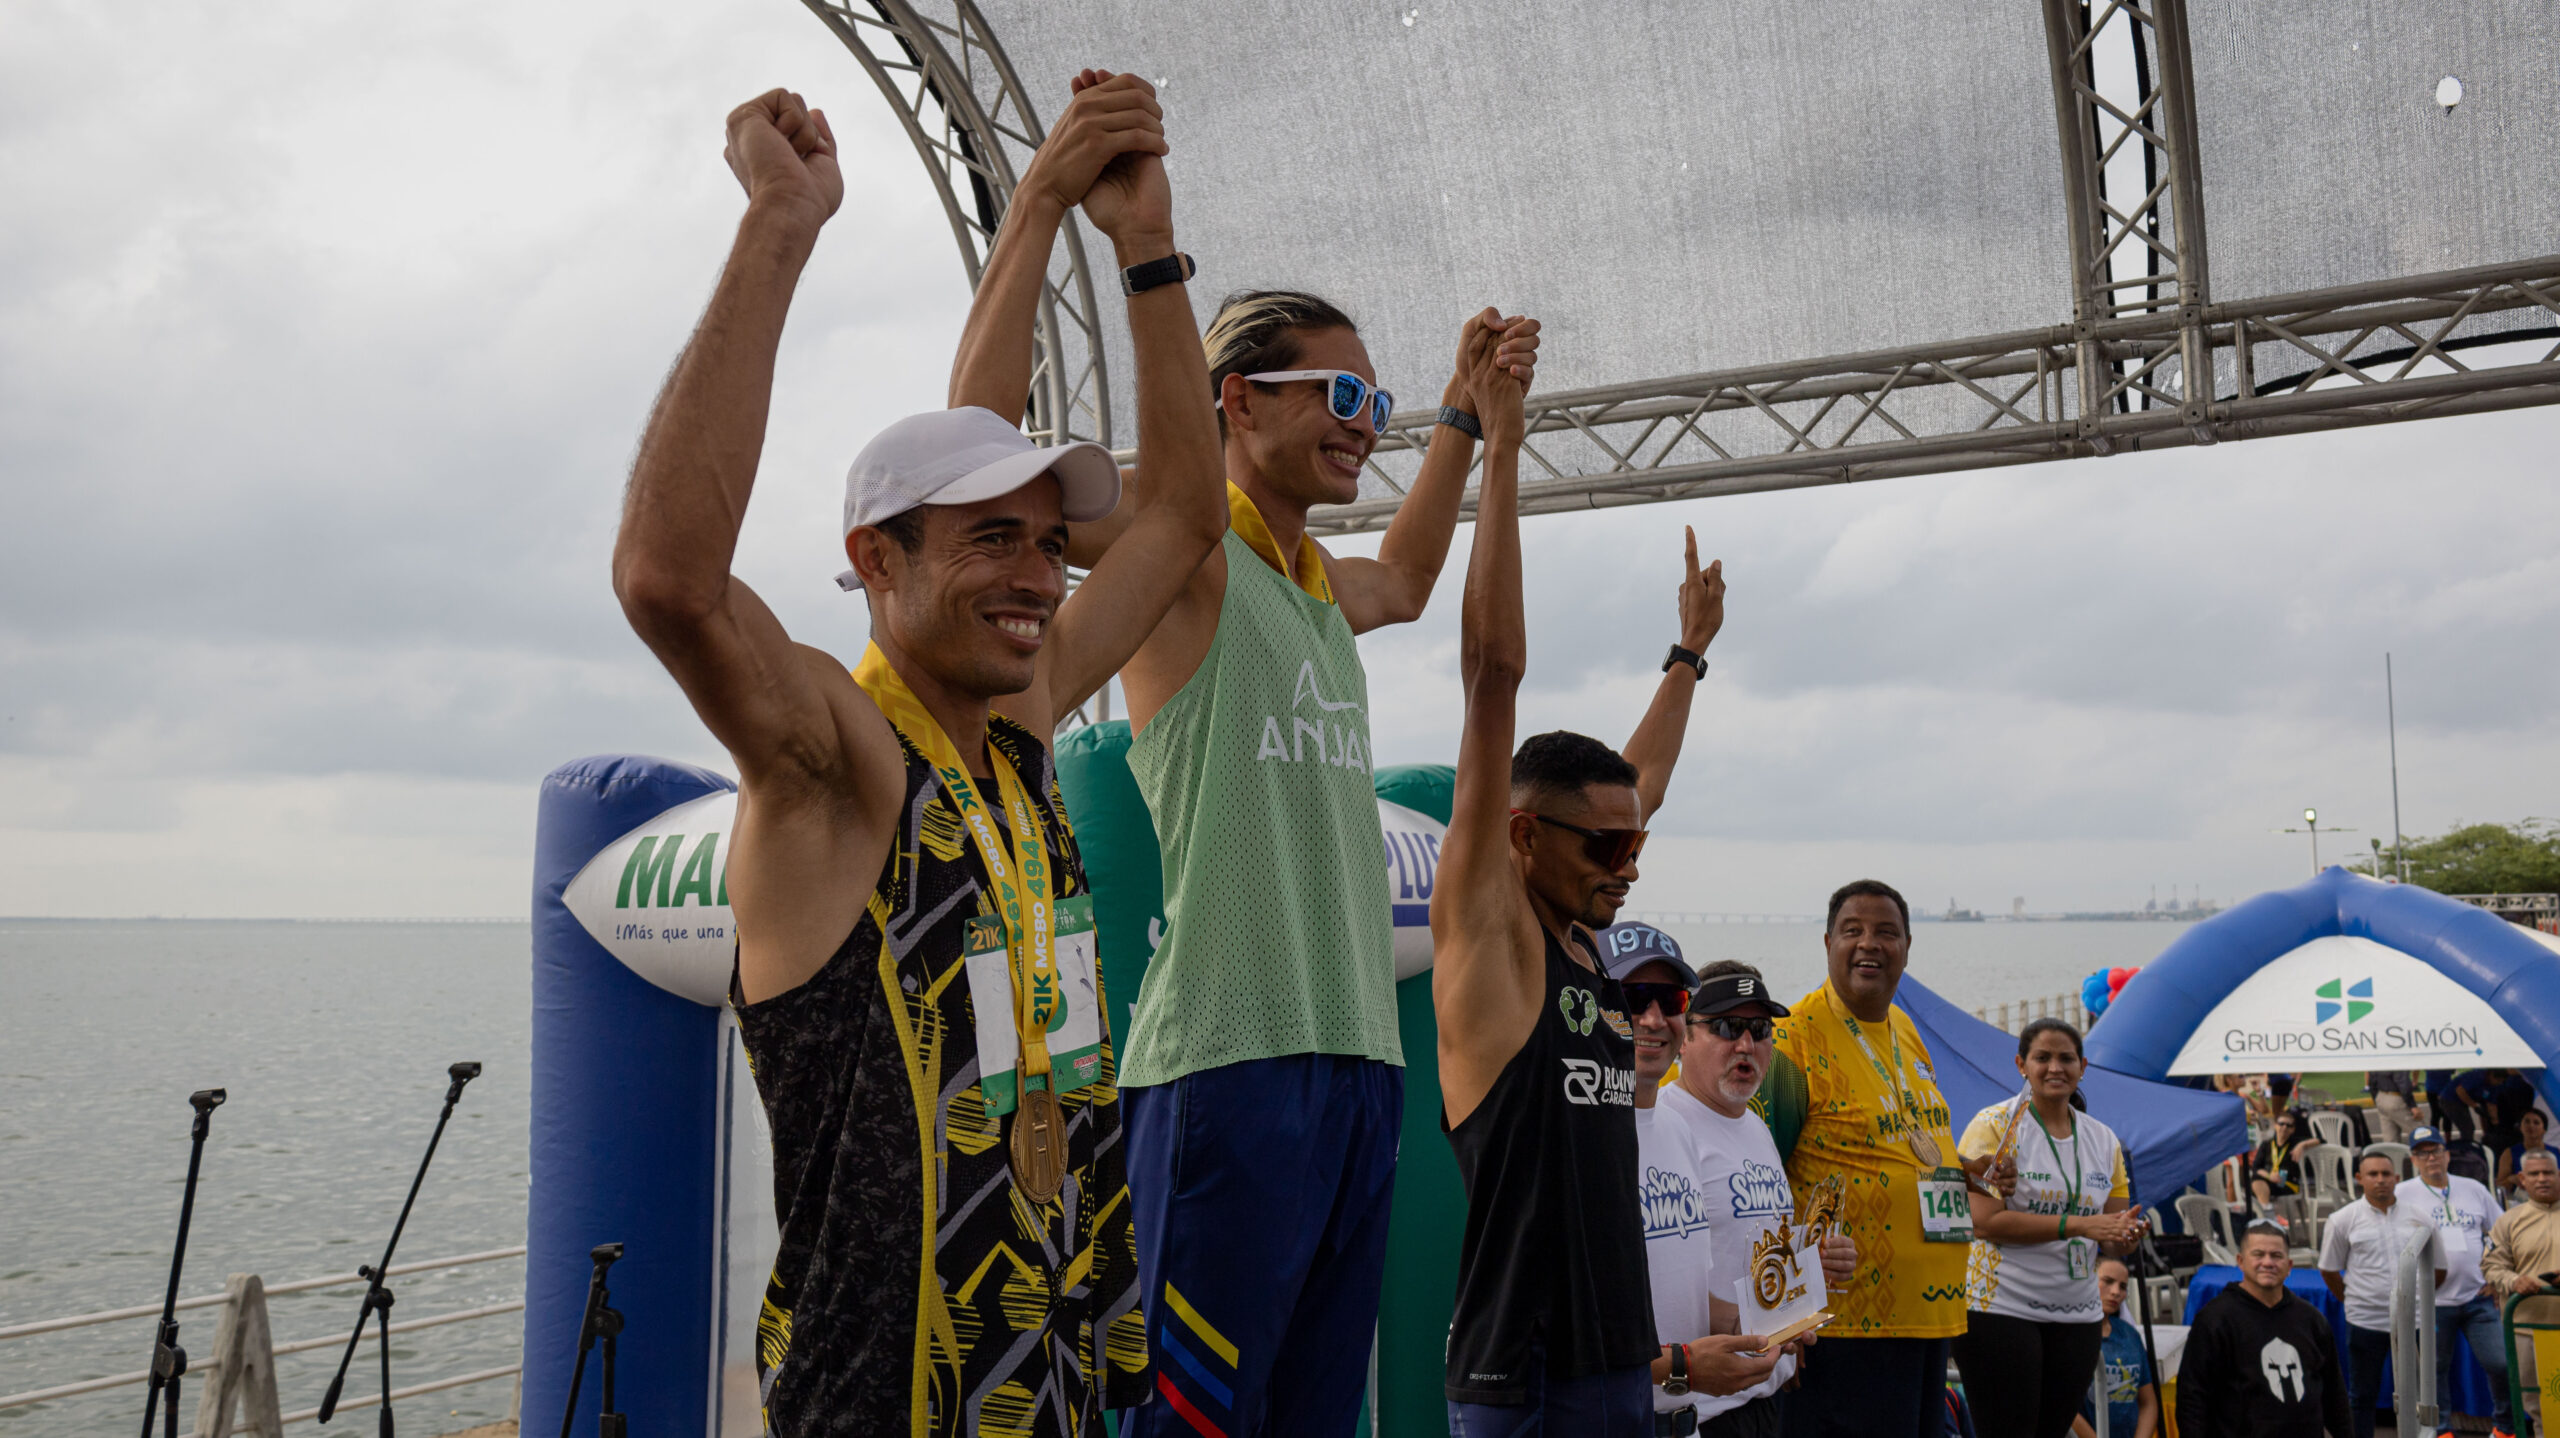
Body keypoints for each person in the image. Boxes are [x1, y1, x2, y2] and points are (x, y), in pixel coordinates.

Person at [613, 78, 1229, 1433]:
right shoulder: (839, 756)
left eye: (1051, 541)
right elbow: (670, 577)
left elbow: (1187, 511)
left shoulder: (1019, 731)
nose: (1038, 575)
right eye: (990, 539)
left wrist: (1145, 244)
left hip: (1057, 1384)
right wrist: (783, 222)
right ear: (875, 561)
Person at [949, 206, 1541, 1438]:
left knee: (1319, 1415)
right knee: (1197, 1421)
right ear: (1238, 402)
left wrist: (1463, 418)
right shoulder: (1193, 557)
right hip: (1224, 1064)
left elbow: (1417, 577)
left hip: (1360, 1070)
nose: (1359, 427)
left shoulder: (1321, 587)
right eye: (1336, 393)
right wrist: (1067, 204)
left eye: (1372, 406)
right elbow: (988, 467)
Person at [1430, 337, 1772, 1433]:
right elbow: (1492, 677)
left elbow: (1642, 785)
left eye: (1635, 851)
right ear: (1521, 834)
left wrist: (1687, 656)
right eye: (1603, 851)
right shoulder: (1495, 935)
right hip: (1519, 1374)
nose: (1628, 866)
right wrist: (1503, 444)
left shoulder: (1583, 935)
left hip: (1618, 1363)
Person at [1628, 951, 1858, 1438]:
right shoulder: (1664, 1122)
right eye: (1728, 1028)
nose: (1746, 1046)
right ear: (1686, 1036)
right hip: (1696, 1407)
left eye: (1761, 1031)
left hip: (1763, 1394)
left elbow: (1749, 1253)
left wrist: (1810, 1269)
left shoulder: (1754, 1124)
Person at [1771, 881, 1969, 1437]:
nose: (1869, 944)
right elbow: (1756, 1176)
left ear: (1908, 945)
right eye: (1853, 931)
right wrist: (1784, 1313)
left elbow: (1911, 1137)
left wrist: (1965, 1170)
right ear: (1828, 941)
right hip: (1843, 1327)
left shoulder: (1905, 1029)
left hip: (1928, 1316)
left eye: (1886, 932)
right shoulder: (1793, 1041)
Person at [1950, 1018, 2143, 1438]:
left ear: (2083, 1066)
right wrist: (2081, 1224)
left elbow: (2114, 1230)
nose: (2055, 1068)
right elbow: (1985, 1222)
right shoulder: (1994, 1125)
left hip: (2078, 1313)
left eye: (2066, 1058)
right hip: (2000, 1310)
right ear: (2022, 1064)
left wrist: (2125, 1236)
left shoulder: (2103, 1139)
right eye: (2043, 1058)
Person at [2176, 1220, 2350, 1438]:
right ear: (2240, 1261)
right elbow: (2192, 1398)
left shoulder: (2311, 1320)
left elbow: (2334, 1395)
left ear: (2289, 1265)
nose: (2268, 1262)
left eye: (2276, 1256)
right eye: (2258, 1254)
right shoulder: (2215, 1320)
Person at [2316, 1149, 2445, 1438]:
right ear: (2360, 1178)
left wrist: (2418, 1300)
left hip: (2414, 1322)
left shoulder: (2420, 1217)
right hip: (2365, 1322)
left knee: (2423, 1394)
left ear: (2397, 1178)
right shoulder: (2342, 1219)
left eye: (2386, 1174)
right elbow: (2328, 1269)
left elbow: (2438, 1269)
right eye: (2373, 1174)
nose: (2380, 1180)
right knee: (2362, 1396)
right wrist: (2353, 1300)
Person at [2400, 1125, 2514, 1435]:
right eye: (2423, 1153)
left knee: (2502, 1364)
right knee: (2434, 1372)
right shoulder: (2402, 1194)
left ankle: (2505, 1426)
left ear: (2447, 1154)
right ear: (2414, 1159)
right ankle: (2442, 1429)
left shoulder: (2473, 1188)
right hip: (2432, 1302)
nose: (2431, 1158)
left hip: (2477, 1297)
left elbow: (2502, 1231)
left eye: (2436, 1150)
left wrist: (2495, 1275)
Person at [2071, 1257, 2158, 1438]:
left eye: (2123, 1287)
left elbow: (2148, 1403)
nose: (2116, 1292)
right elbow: (2061, 1405)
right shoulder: (2071, 1337)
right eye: (2108, 1282)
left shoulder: (2129, 1335)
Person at [2486, 1148, 2560, 1296]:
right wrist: (2514, 1281)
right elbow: (2491, 1266)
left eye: (2548, 1173)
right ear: (2522, 1179)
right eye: (2534, 1174)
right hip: (2524, 1316)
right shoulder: (2507, 1221)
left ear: (2559, 1175)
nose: (2541, 1179)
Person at [2248, 1109, 2317, 1212]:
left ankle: (2266, 1214)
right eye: (2281, 1124)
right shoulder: (2267, 1144)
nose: (2284, 1127)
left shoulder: (2295, 1143)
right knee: (2257, 1179)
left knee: (2257, 1184)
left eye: (2288, 1125)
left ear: (2293, 1129)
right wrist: (2269, 1176)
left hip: (2287, 1183)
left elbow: (2321, 1139)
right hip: (2270, 1180)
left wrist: (2302, 1145)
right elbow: (2256, 1167)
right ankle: (2267, 1211)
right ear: (2275, 1125)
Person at [2496, 1107, 2560, 1195]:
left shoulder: (2556, 1152)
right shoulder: (2509, 1153)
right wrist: (2512, 1179)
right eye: (2527, 1122)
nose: (2531, 1126)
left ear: (2544, 1130)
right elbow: (2499, 1187)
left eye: (2536, 1123)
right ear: (2520, 1127)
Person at [2365, 1070, 2417, 1146]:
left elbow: (2372, 1081)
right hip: (2395, 1098)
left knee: (2390, 1140)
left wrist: (2377, 1099)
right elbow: (2403, 1083)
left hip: (2381, 1097)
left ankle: (2392, 1156)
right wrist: (2412, 1106)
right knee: (2421, 1133)